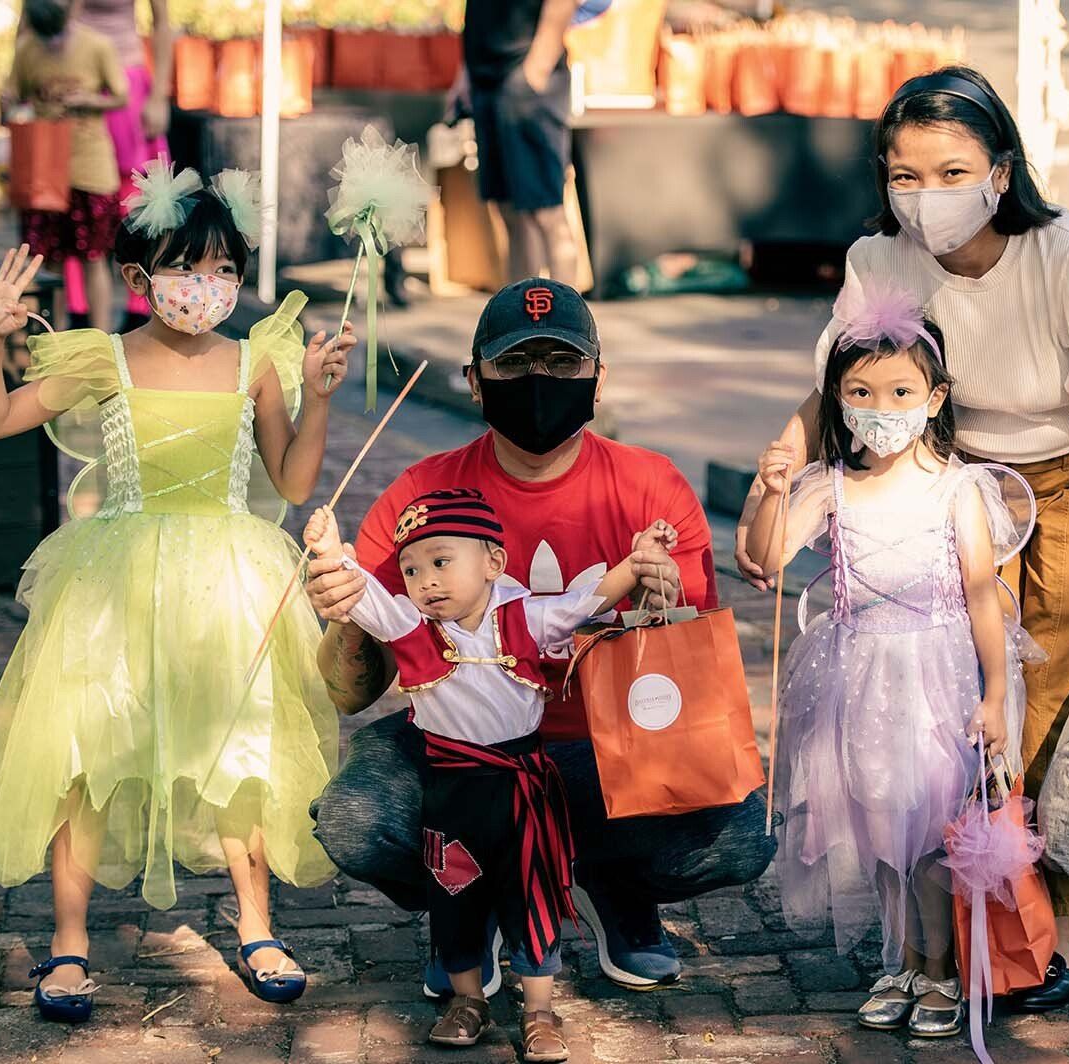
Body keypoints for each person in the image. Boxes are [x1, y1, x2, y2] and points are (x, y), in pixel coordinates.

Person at [734, 66, 1069, 1013]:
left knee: (1048, 713)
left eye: (950, 170)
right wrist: (780, 463)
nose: (924, 196)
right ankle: (956, 934)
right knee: (962, 722)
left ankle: (1041, 933)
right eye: (903, 174)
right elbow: (834, 385)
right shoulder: (879, 260)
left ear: (1001, 170)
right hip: (948, 480)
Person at [0, 164, 356, 1023]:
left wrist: (315, 401)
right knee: (85, 755)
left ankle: (256, 924)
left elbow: (287, 478)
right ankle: (68, 945)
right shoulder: (105, 357)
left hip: (228, 579)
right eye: (187, 268)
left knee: (240, 747)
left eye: (224, 273)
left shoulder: (256, 362)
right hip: (116, 581)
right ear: (140, 279)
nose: (206, 288)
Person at [307, 278, 775, 998]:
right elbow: (349, 692)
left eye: (561, 364)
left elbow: (688, 685)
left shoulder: (651, 487)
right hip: (461, 753)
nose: (537, 382)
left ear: (597, 377)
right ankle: (469, 903)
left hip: (609, 750)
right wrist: (345, 616)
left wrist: (664, 602)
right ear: (473, 380)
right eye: (513, 364)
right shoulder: (417, 499)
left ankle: (612, 886)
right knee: (355, 818)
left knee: (739, 833)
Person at [747, 280, 1037, 1039]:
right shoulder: (832, 486)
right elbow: (765, 556)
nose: (882, 405)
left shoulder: (958, 490)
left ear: (935, 398)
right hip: (859, 678)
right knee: (880, 824)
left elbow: (981, 594)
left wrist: (993, 695)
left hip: (938, 677)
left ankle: (939, 970)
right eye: (861, 390)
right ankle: (901, 960)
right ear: (837, 401)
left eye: (901, 389)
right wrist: (771, 489)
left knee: (934, 829)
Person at [305, 495, 676, 1062]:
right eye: (412, 569)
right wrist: (331, 552)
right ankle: (467, 1000)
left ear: (493, 564)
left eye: (440, 561)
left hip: (522, 793)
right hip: (451, 796)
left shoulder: (527, 619)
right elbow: (364, 597)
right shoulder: (412, 627)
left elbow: (588, 600)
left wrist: (638, 559)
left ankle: (540, 1010)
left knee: (530, 897)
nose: (425, 581)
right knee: (452, 897)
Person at [6, 0, 129, 332]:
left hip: (91, 167)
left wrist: (88, 100)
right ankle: (54, 337)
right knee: (50, 261)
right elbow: (11, 94)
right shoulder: (27, 48)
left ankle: (102, 337)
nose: (53, 44)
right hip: (46, 170)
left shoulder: (97, 46)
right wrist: (11, 106)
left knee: (95, 258)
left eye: (58, 33)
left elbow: (121, 95)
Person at [61, 0, 177, 330]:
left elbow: (162, 24)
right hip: (76, 82)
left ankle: (139, 307)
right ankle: (77, 310)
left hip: (126, 83)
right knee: (74, 197)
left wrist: (158, 96)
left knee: (137, 199)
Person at [453, 0, 580, 284]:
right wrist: (465, 75)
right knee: (509, 210)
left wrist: (535, 71)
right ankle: (521, 318)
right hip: (487, 80)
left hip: (526, 78)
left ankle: (569, 321)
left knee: (546, 212)